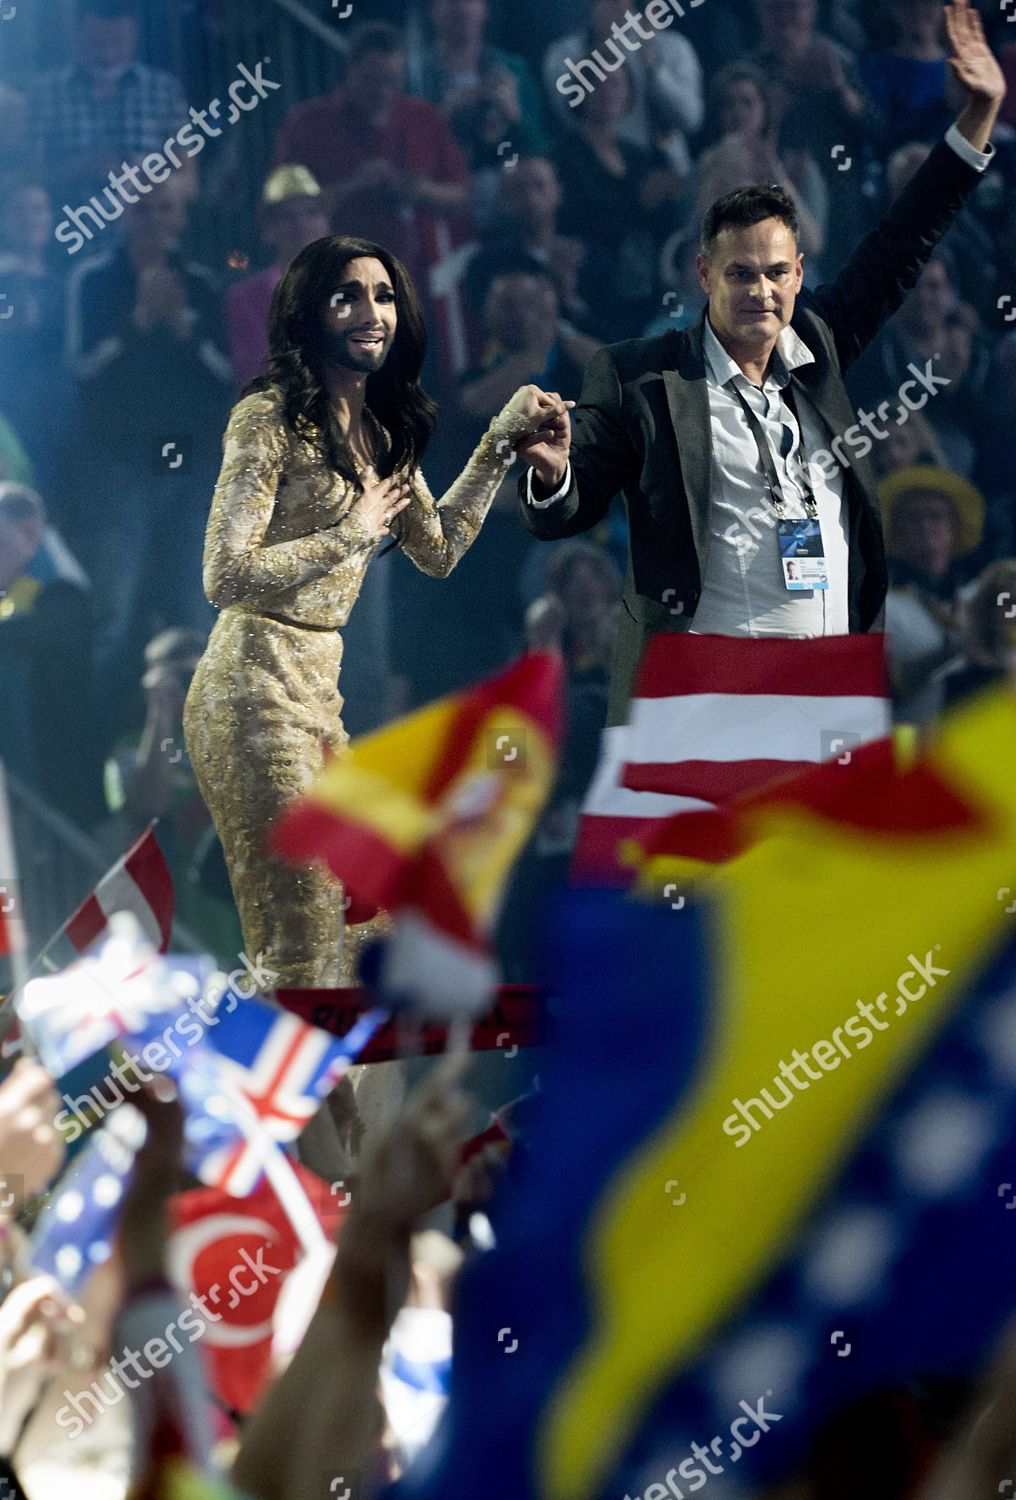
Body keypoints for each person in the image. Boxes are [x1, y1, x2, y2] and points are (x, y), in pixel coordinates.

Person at [516, 0, 1005, 729]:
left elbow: (906, 237)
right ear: (703, 274)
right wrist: (555, 474)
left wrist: (975, 122)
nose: (761, 291)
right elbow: (571, 506)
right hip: (694, 692)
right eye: (740, 273)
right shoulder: (640, 377)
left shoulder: (821, 343)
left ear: (800, 275)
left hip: (820, 684)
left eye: (776, 273)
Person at [182, 234, 571, 988]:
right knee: (300, 937)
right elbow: (223, 575)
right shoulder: (268, 419)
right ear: (310, 314)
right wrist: (349, 533)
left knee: (370, 918)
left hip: (318, 699)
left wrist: (498, 444)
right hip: (249, 692)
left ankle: (348, 1108)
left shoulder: (385, 437)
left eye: (385, 295)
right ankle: (253, 1099)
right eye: (348, 296)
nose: (372, 312)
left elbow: (441, 549)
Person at [0, 482, 105, 829]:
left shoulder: (63, 594)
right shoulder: (12, 598)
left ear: (29, 531)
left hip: (66, 798)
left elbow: (18, 638)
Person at [224, 165, 331, 392]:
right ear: (268, 229)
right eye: (288, 216)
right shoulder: (244, 298)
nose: (301, 225)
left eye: (311, 213)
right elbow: (252, 370)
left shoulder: (350, 290)